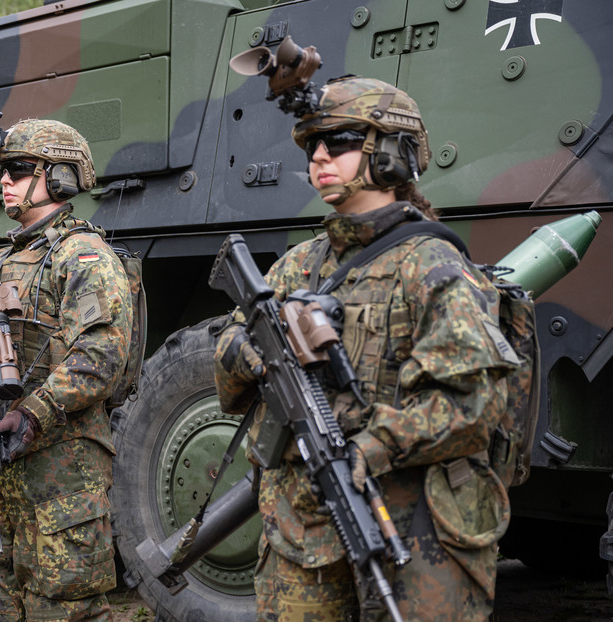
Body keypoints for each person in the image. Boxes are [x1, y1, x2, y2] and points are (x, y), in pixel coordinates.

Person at [213, 76, 516, 620]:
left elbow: (473, 408)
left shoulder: (434, 266)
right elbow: (229, 351)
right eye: (311, 146)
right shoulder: (299, 265)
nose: (320, 157)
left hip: (412, 526)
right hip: (298, 531)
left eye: (342, 140)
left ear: (391, 152)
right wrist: (266, 357)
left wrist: (370, 444)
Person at [0, 119, 133, 621]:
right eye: (2, 170)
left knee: (64, 608)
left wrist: (35, 411)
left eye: (18, 169)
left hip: (61, 474)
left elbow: (101, 355)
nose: (5, 180)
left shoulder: (82, 256)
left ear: (59, 178)